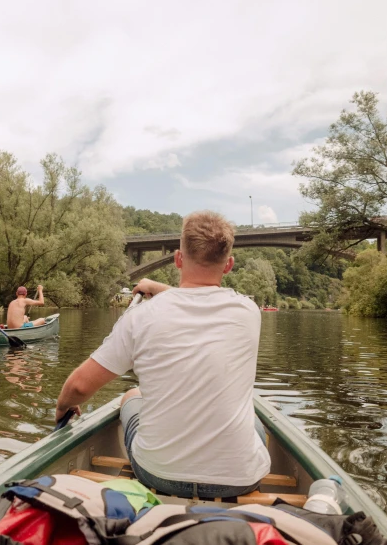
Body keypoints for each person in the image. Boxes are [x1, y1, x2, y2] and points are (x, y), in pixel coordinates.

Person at [54, 211, 271, 499]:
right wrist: (159, 289)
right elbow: (201, 299)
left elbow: (79, 386)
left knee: (132, 395)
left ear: (178, 259)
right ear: (228, 265)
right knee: (252, 413)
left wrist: (62, 407)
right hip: (239, 479)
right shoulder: (248, 312)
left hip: (159, 475)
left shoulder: (140, 318)